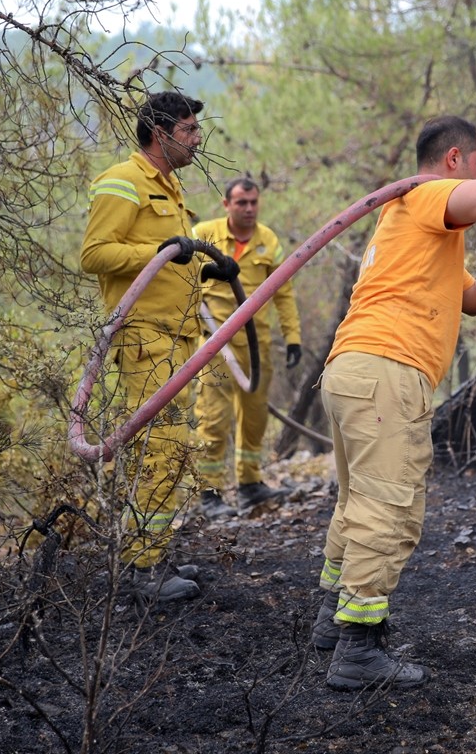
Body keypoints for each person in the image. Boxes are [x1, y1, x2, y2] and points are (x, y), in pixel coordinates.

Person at [309, 115, 476, 690]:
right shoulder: (427, 196)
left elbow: (470, 299)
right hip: (386, 373)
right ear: (454, 160)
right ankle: (357, 649)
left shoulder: (412, 221)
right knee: (391, 508)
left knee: (360, 502)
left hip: (355, 372)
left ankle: (332, 619)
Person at [80, 91, 235, 604]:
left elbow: (171, 259)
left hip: (176, 335)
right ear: (161, 133)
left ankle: (152, 549)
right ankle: (142, 569)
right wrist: (167, 250)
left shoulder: (169, 184)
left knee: (169, 449)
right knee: (159, 451)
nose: (197, 138)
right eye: (189, 129)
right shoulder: (123, 181)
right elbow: (96, 253)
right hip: (145, 338)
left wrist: (205, 267)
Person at [192, 177, 303, 516]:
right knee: (213, 418)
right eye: (242, 202)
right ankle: (209, 493)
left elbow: (283, 293)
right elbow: (180, 280)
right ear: (226, 205)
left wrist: (294, 336)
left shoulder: (268, 240)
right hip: (215, 345)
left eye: (254, 202)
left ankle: (249, 485)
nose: (249, 209)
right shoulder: (203, 235)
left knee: (254, 416)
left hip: (257, 346)